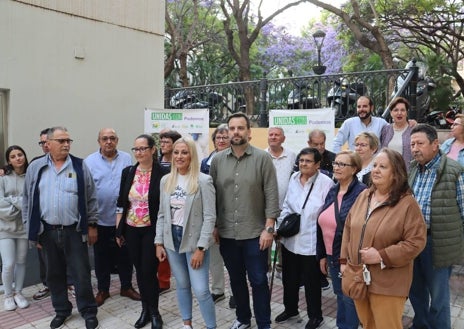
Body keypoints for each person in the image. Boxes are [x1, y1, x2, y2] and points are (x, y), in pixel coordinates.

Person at [340, 148, 427, 329]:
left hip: (389, 283)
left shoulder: (407, 203)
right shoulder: (365, 195)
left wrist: (381, 256)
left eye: (383, 167)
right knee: (367, 324)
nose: (376, 170)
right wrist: (344, 261)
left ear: (396, 174)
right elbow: (348, 228)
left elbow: (416, 242)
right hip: (358, 276)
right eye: (375, 165)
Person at [23, 126, 99, 329]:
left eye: (68, 141)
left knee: (81, 273)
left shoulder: (80, 166)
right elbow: (27, 200)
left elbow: (91, 198)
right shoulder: (36, 167)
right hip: (46, 232)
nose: (66, 144)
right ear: (48, 144)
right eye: (61, 141)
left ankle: (88, 311)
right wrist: (31, 230)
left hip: (74, 230)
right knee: (54, 275)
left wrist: (92, 225)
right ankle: (62, 311)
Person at [210, 112, 280, 329]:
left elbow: (271, 193)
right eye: (232, 128)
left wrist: (269, 228)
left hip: (255, 234)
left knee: (258, 281)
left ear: (249, 132)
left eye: (240, 128)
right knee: (236, 280)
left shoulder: (262, 158)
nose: (235, 132)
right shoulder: (218, 160)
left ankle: (263, 323)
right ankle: (242, 318)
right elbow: (212, 195)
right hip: (227, 233)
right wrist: (214, 226)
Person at [156, 137, 217, 329]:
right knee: (182, 285)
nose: (179, 156)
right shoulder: (166, 180)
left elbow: (210, 217)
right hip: (171, 239)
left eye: (184, 152)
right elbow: (161, 214)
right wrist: (159, 242)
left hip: (194, 240)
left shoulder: (203, 180)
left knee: (201, 290)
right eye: (176, 152)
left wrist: (201, 247)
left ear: (192, 155)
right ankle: (187, 323)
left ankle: (211, 326)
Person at [408, 124, 464, 329]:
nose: (415, 148)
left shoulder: (454, 171)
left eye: (420, 143)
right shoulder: (413, 168)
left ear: (434, 144)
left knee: (438, 297)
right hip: (413, 242)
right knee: (416, 291)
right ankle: (421, 325)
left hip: (437, 243)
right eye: (412, 144)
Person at [275, 148, 334, 329]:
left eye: (308, 161)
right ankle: (291, 309)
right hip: (290, 240)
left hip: (311, 243)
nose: (303, 164)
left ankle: (316, 316)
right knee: (289, 279)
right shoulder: (293, 178)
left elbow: (326, 213)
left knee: (312, 283)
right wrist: (280, 227)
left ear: (317, 164)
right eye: (301, 160)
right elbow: (286, 206)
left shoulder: (327, 183)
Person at [84, 128, 140, 306]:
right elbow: (86, 193)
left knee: (125, 255)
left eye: (112, 138)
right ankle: (103, 290)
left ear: (117, 140)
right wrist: (90, 224)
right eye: (105, 138)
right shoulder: (89, 162)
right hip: (100, 219)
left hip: (123, 220)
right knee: (101, 257)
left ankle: (126, 287)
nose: (109, 141)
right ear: (98, 141)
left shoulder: (126, 158)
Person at [116, 134, 167, 329]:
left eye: (143, 148)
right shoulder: (128, 172)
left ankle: (154, 312)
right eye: (135, 149)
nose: (139, 152)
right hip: (131, 229)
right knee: (139, 270)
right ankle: (145, 310)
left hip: (151, 230)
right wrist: (118, 230)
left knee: (148, 271)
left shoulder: (163, 174)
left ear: (153, 150)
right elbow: (121, 202)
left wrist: (161, 239)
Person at [317, 151, 367, 329]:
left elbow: (361, 228)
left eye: (342, 164)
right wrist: (322, 254)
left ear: (354, 169)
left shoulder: (362, 193)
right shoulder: (333, 190)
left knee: (349, 297)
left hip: (349, 256)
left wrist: (348, 258)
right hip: (331, 254)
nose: (336, 167)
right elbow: (321, 223)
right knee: (339, 294)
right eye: (335, 163)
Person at [200, 124, 234, 307]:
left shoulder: (236, 160)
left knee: (233, 259)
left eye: (225, 137)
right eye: (218, 137)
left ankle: (236, 292)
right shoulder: (205, 162)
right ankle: (218, 290)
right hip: (211, 216)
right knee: (214, 258)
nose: (221, 140)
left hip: (230, 215)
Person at [265, 127, 297, 282]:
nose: (273, 137)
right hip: (266, 207)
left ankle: (281, 268)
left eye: (277, 135)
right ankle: (266, 268)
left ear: (283, 138)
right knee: (265, 237)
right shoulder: (262, 156)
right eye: (271, 135)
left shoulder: (291, 156)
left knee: (283, 239)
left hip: (286, 205)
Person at [0, 146, 30, 311]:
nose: (18, 158)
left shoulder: (30, 176)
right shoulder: (3, 178)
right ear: (9, 160)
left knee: (21, 261)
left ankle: (18, 292)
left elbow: (31, 201)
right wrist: (20, 205)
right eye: (13, 156)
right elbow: (0, 204)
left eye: (20, 154)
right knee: (8, 264)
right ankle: (8, 295)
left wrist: (12, 199)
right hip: (5, 228)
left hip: (24, 228)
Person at [158, 129, 182, 293]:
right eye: (161, 142)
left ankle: (165, 280)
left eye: (166, 142)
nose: (163, 145)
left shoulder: (178, 165)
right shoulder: (156, 162)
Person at [31, 128, 52, 301]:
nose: (45, 145)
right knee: (43, 256)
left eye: (47, 141)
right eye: (42, 142)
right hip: (43, 221)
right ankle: (47, 285)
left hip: (64, 222)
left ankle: (68, 284)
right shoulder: (36, 164)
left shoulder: (70, 163)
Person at [380, 97, 413, 170]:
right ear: (391, 113)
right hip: (388, 173)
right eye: (396, 110)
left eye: (403, 110)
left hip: (407, 173)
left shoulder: (413, 130)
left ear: (406, 112)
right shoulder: (386, 129)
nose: (399, 113)